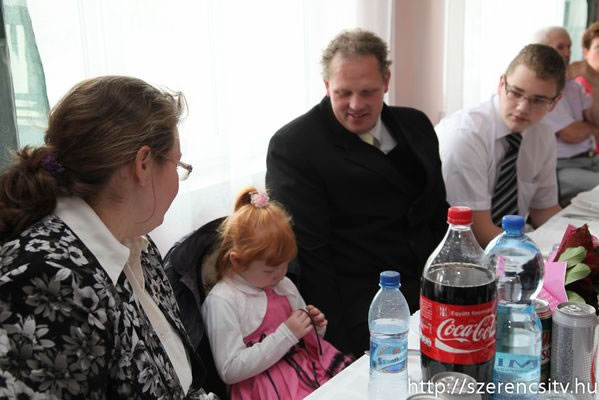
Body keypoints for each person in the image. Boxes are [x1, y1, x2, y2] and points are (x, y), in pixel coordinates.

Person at [0, 76, 216, 399]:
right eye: (177, 164)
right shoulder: (48, 279)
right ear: (143, 164)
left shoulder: (137, 244)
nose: (177, 178)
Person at [201, 186, 352, 399]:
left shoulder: (283, 285)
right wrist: (287, 334)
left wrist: (313, 327)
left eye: (285, 265)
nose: (281, 275)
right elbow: (229, 370)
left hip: (306, 371)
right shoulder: (223, 300)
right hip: (265, 388)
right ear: (237, 261)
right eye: (270, 270)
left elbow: (300, 339)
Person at [436, 44, 565, 248]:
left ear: (554, 103)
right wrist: (538, 256)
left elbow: (544, 210)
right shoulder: (465, 134)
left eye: (538, 100)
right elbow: (478, 232)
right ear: (501, 83)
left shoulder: (542, 133)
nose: (523, 108)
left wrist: (580, 244)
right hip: (463, 250)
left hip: (513, 245)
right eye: (516, 93)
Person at [534, 26, 599, 206]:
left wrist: (594, 78)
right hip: (561, 167)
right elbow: (571, 134)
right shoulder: (541, 87)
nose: (567, 53)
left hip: (589, 160)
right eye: (560, 47)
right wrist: (591, 129)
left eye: (569, 47)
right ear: (542, 50)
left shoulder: (572, 84)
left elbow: (594, 118)